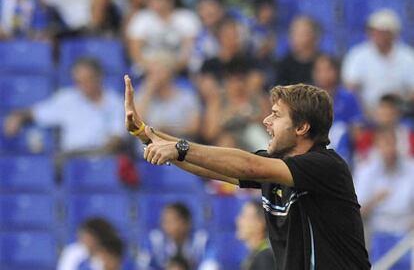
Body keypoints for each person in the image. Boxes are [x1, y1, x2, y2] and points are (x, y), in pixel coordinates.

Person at [124, 75, 371, 269]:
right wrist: (145, 134)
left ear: (302, 127)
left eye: (276, 115)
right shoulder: (276, 169)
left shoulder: (326, 165)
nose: (266, 121)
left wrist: (179, 148)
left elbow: (249, 165)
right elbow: (209, 166)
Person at [4, 57, 126, 156]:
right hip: (70, 157)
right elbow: (37, 112)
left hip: (102, 156)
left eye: (86, 80)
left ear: (99, 77)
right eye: (78, 81)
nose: (82, 86)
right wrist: (17, 117)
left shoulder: (115, 103)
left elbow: (117, 138)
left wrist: (96, 155)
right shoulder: (67, 99)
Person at [354, 127, 414, 269]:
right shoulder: (366, 170)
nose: (389, 150)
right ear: (377, 147)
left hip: (407, 231)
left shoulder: (411, 168)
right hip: (377, 230)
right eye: (384, 145)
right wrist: (375, 200)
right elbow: (356, 211)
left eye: (392, 144)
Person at [342, 8, 414, 115]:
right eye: (376, 31)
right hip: (366, 112)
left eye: (385, 32)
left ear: (394, 34)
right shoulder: (357, 55)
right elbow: (350, 88)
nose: (380, 36)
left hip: (400, 112)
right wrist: (365, 111)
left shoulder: (408, 55)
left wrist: (401, 102)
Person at [134, 51, 201, 140]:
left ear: (168, 73)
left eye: (157, 72)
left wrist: (169, 130)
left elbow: (194, 128)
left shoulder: (186, 97)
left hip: (180, 148)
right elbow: (135, 125)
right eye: (150, 73)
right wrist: (148, 92)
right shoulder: (142, 95)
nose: (152, 78)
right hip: (148, 150)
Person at [312, 54, 364, 165]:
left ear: (336, 71)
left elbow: (358, 131)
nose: (323, 75)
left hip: (343, 150)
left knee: (340, 130)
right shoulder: (308, 99)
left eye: (327, 70)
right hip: (315, 149)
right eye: (319, 71)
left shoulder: (348, 97)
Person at [126, 0, 201, 74]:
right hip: (147, 69)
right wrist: (152, 67)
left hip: (177, 69)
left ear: (170, 1)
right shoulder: (141, 18)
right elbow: (135, 52)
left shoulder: (186, 18)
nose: (154, 2)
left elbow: (189, 51)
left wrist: (171, 68)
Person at [136, 202, 219, 270]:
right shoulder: (154, 240)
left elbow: (211, 265)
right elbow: (142, 265)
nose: (165, 225)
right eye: (164, 221)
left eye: (170, 221)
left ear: (185, 223)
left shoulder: (201, 240)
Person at [276, 15, 320, 85]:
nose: (295, 38)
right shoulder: (284, 65)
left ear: (314, 36)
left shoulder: (323, 63)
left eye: (301, 34)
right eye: (293, 33)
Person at [236, 200, 275, 270]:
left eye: (244, 216)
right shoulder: (256, 255)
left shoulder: (264, 258)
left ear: (260, 224)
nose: (238, 220)